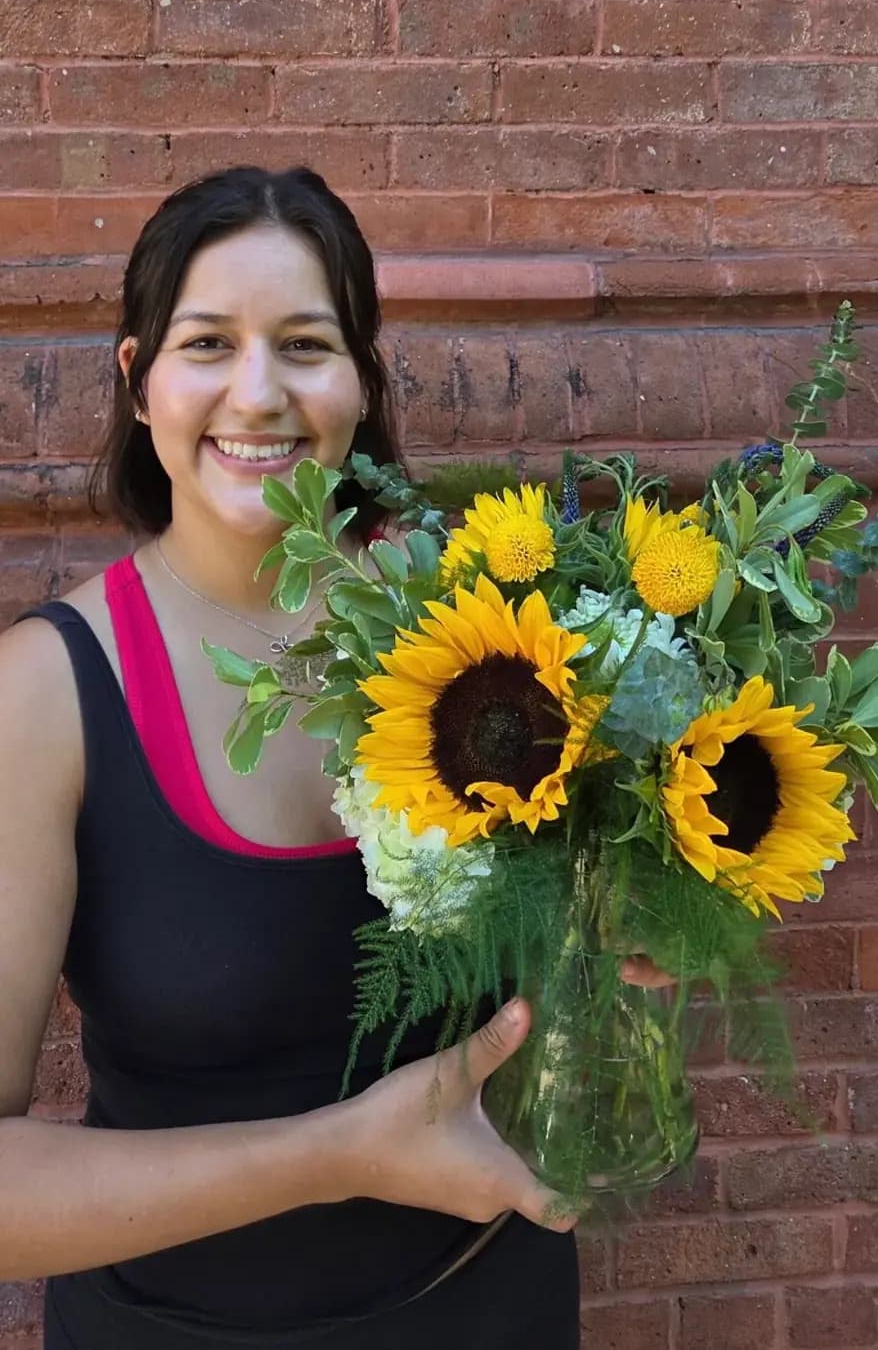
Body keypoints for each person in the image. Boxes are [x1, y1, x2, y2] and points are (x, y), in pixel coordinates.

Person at [0, 167, 671, 1349]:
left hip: (492, 1303)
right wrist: (336, 1155)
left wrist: (630, 916)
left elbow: (581, 933)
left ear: (362, 382)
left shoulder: (493, 633)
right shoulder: (46, 697)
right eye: (207, 342)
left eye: (305, 344)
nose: (257, 394)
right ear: (138, 380)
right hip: (178, 1327)